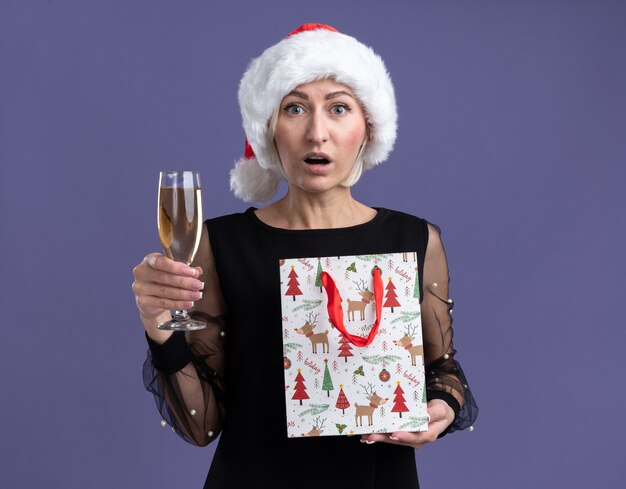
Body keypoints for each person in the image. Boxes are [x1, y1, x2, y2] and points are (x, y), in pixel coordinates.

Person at [132, 23, 478, 488]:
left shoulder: (415, 239)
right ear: (268, 129)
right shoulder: (220, 243)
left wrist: (441, 406)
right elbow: (202, 425)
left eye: (339, 108)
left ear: (367, 127)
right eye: (294, 108)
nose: (317, 132)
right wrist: (158, 325)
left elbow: (442, 370)